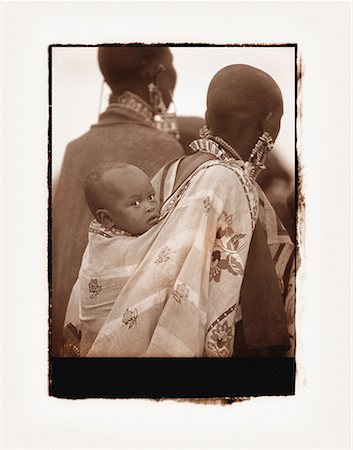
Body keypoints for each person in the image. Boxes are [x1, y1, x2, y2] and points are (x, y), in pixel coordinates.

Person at [64, 64, 295, 358]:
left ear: (209, 117)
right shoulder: (230, 181)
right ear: (268, 122)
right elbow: (264, 322)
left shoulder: (168, 172)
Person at [52, 46, 184, 356]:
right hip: (126, 338)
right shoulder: (163, 146)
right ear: (157, 72)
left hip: (67, 329)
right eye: (171, 64)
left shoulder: (75, 149)